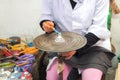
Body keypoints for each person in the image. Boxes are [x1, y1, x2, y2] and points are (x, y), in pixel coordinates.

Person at [39, 0, 115, 80]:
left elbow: (99, 28)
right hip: (64, 46)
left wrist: (78, 48)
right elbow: (47, 16)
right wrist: (46, 24)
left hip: (93, 47)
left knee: (90, 77)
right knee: (53, 76)